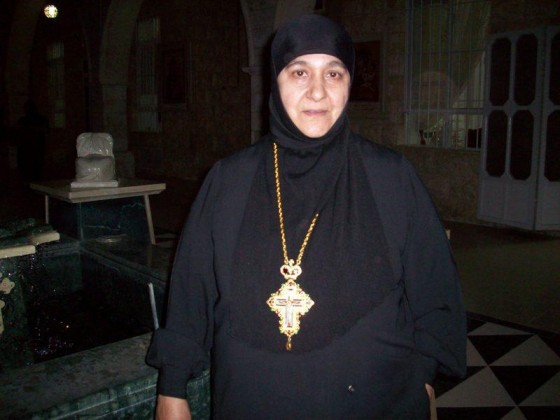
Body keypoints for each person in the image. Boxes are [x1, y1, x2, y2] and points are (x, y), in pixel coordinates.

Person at [147, 14, 466, 419]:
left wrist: (424, 376)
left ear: (349, 83)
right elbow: (191, 288)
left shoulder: (391, 177)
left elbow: (437, 291)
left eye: (333, 73)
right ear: (276, 82)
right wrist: (172, 388)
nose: (317, 91)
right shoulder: (229, 180)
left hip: (377, 403)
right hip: (253, 403)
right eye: (299, 72)